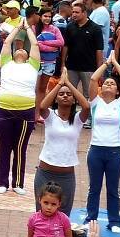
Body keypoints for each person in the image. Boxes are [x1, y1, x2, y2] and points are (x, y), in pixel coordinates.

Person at [85, 52, 120, 234]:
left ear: (117, 91)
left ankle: (114, 221)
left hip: (114, 153)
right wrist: (106, 64)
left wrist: (115, 63)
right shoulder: (95, 102)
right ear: (101, 88)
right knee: (94, 188)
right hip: (95, 151)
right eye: (106, 83)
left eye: (112, 84)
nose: (109, 84)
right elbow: (93, 79)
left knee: (113, 189)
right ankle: (91, 219)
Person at [0, 21, 41, 195]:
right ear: (12, 54)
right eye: (18, 49)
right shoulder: (6, 63)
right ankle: (2, 182)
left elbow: (34, 44)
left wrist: (27, 28)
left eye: (24, 50)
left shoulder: (33, 66)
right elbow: (7, 43)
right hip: (3, 110)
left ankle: (18, 183)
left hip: (25, 111)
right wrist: (17, 28)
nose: (21, 50)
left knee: (20, 148)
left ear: (28, 56)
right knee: (4, 147)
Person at [35, 71, 91, 213]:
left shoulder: (78, 119)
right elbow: (41, 107)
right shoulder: (50, 116)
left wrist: (69, 85)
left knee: (63, 215)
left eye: (68, 94)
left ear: (73, 100)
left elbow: (86, 107)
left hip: (66, 176)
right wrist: (60, 83)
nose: (65, 95)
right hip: (45, 172)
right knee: (41, 213)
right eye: (61, 94)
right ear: (55, 99)